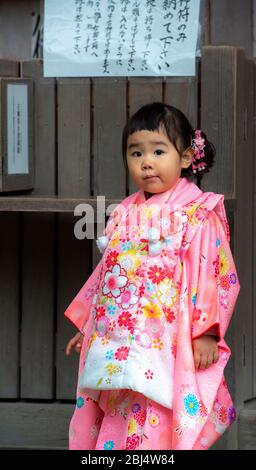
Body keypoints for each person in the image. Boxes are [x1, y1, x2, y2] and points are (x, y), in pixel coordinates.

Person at [64, 102, 240, 450]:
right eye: (136, 153)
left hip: (168, 333)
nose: (146, 162)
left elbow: (212, 271)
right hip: (120, 332)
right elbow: (109, 271)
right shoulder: (125, 211)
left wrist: (207, 331)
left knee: (158, 406)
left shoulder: (198, 212)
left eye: (158, 151)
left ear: (187, 158)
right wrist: (91, 325)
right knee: (120, 401)